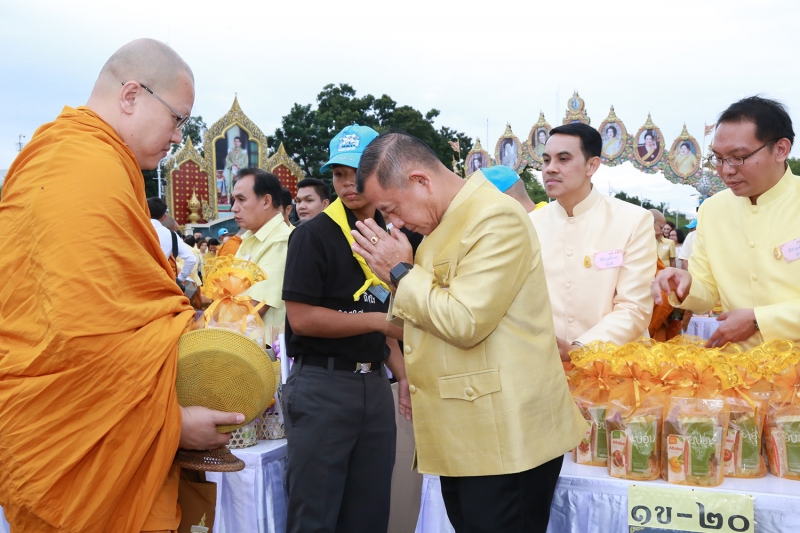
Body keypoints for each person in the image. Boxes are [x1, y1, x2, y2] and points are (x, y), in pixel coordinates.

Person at [0, 38, 242, 533]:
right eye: (178, 120)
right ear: (131, 94)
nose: (179, 138)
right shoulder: (80, 168)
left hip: (95, 430)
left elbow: (127, 312)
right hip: (74, 440)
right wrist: (170, 425)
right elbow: (78, 341)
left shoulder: (93, 164)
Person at [351, 132, 586, 533]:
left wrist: (399, 272)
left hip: (505, 440)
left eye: (391, 208)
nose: (395, 222)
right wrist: (399, 278)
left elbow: (465, 321)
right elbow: (427, 317)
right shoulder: (441, 226)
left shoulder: (495, 217)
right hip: (467, 432)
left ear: (421, 181)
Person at [281, 124, 409, 533]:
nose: (347, 183)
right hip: (323, 386)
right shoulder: (312, 235)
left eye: (357, 172)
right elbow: (301, 318)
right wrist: (377, 323)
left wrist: (403, 375)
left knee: (370, 512)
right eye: (338, 174)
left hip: (373, 385)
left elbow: (384, 310)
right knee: (315, 515)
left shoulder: (392, 236)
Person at [653, 96, 800, 350]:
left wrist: (759, 320)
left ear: (781, 149)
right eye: (718, 159)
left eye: (738, 157)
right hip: (740, 372)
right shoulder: (713, 210)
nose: (726, 170)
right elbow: (707, 292)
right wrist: (686, 286)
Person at [530, 123, 656, 361]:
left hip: (617, 367)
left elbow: (634, 308)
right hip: (546, 366)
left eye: (563, 159)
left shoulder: (632, 220)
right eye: (546, 160)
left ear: (592, 165)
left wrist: (579, 349)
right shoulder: (530, 224)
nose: (550, 169)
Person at [231, 169, 292, 332]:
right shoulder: (249, 238)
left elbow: (255, 307)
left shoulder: (280, 241)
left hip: (265, 348)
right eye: (234, 200)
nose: (234, 208)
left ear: (266, 201)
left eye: (241, 200)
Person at [147, 196, 197, 288]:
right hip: (160, 282)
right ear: (164, 217)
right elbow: (191, 259)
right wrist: (179, 279)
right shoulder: (171, 235)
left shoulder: (134, 230)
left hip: (134, 283)